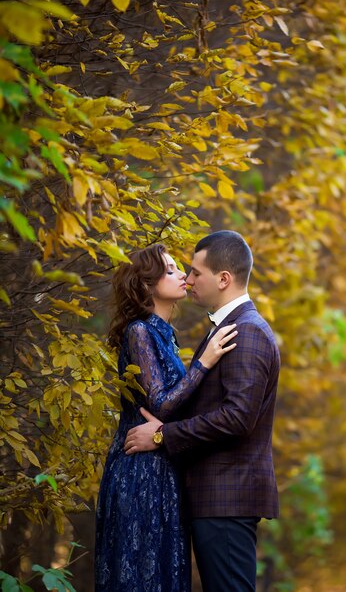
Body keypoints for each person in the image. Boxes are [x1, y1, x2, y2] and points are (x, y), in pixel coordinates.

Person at [124, 231, 280, 592]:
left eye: (195, 272)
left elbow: (237, 418)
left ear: (223, 279)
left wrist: (162, 435)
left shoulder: (247, 332)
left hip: (227, 496)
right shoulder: (229, 328)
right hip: (217, 496)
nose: (189, 279)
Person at [95, 243, 238, 592]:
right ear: (147, 285)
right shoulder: (139, 331)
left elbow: (172, 407)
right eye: (172, 269)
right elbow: (160, 404)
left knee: (164, 571)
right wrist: (204, 363)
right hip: (140, 468)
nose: (183, 277)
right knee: (142, 574)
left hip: (162, 466)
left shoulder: (165, 336)